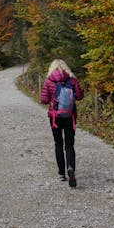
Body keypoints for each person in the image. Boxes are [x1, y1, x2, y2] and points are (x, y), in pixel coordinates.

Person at [40, 59, 84, 187]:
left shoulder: (49, 81)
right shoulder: (72, 80)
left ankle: (61, 173)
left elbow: (43, 100)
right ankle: (71, 168)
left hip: (55, 117)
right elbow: (80, 96)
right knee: (69, 145)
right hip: (70, 116)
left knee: (58, 143)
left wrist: (52, 99)